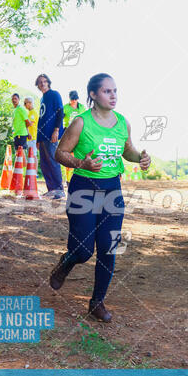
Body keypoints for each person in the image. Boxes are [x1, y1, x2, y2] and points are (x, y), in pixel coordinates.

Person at [50, 73, 151, 322]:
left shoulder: (122, 122)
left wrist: (141, 158)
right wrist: (80, 162)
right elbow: (60, 153)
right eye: (107, 91)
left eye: (115, 90)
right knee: (83, 251)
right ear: (93, 95)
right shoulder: (80, 123)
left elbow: (127, 150)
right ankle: (67, 262)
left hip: (112, 190)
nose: (113, 95)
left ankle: (97, 302)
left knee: (109, 247)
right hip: (84, 187)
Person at [35, 73, 65, 199]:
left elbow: (60, 112)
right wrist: (37, 138)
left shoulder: (54, 94)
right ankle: (51, 189)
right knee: (44, 163)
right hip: (42, 136)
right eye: (40, 82)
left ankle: (59, 189)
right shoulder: (42, 99)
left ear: (48, 82)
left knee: (52, 161)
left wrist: (56, 130)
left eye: (44, 81)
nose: (42, 83)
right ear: (38, 85)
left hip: (51, 134)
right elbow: (41, 119)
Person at [63, 90, 86, 185]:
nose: (74, 101)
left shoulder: (82, 108)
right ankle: (68, 180)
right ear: (70, 99)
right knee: (68, 157)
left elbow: (86, 120)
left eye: (76, 99)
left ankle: (80, 178)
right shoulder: (65, 108)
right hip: (68, 134)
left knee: (79, 156)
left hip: (80, 134)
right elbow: (59, 119)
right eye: (72, 99)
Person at [24, 96, 39, 172]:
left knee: (33, 155)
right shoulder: (29, 113)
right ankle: (31, 171)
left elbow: (28, 124)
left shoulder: (33, 113)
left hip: (32, 137)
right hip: (29, 137)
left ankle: (35, 172)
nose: (24, 105)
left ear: (30, 103)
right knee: (30, 155)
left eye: (25, 103)